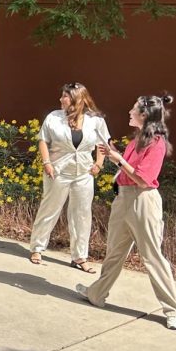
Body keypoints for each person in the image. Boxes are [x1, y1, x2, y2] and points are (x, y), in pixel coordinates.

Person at [77, 95, 176, 330]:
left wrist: (117, 159)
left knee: (152, 256)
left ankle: (173, 310)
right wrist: (115, 154)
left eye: (133, 109)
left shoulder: (156, 144)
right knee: (114, 251)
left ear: (144, 116)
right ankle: (97, 293)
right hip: (123, 197)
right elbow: (127, 171)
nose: (129, 111)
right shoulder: (135, 141)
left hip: (143, 201)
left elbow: (144, 180)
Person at [29, 83, 110, 271]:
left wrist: (98, 163)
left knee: (82, 214)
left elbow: (103, 143)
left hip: (83, 172)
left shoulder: (95, 120)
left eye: (64, 96)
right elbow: (43, 140)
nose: (60, 99)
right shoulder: (54, 117)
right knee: (49, 209)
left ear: (76, 99)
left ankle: (80, 257)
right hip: (58, 171)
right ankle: (37, 247)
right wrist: (46, 163)